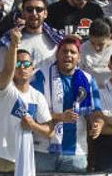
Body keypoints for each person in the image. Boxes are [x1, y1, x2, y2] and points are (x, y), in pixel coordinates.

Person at [0, 25, 55, 173]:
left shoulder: (38, 97)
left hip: (20, 159)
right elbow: (7, 70)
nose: (22, 67)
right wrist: (13, 45)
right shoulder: (4, 87)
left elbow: (50, 131)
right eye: (18, 64)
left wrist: (33, 125)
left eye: (26, 64)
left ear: (33, 69)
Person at [30, 36, 104, 172]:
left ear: (79, 57)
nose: (68, 55)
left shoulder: (88, 79)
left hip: (76, 151)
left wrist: (98, 123)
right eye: (64, 51)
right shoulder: (41, 75)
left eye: (72, 52)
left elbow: (96, 111)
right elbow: (32, 111)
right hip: (43, 149)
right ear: (57, 54)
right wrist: (59, 116)